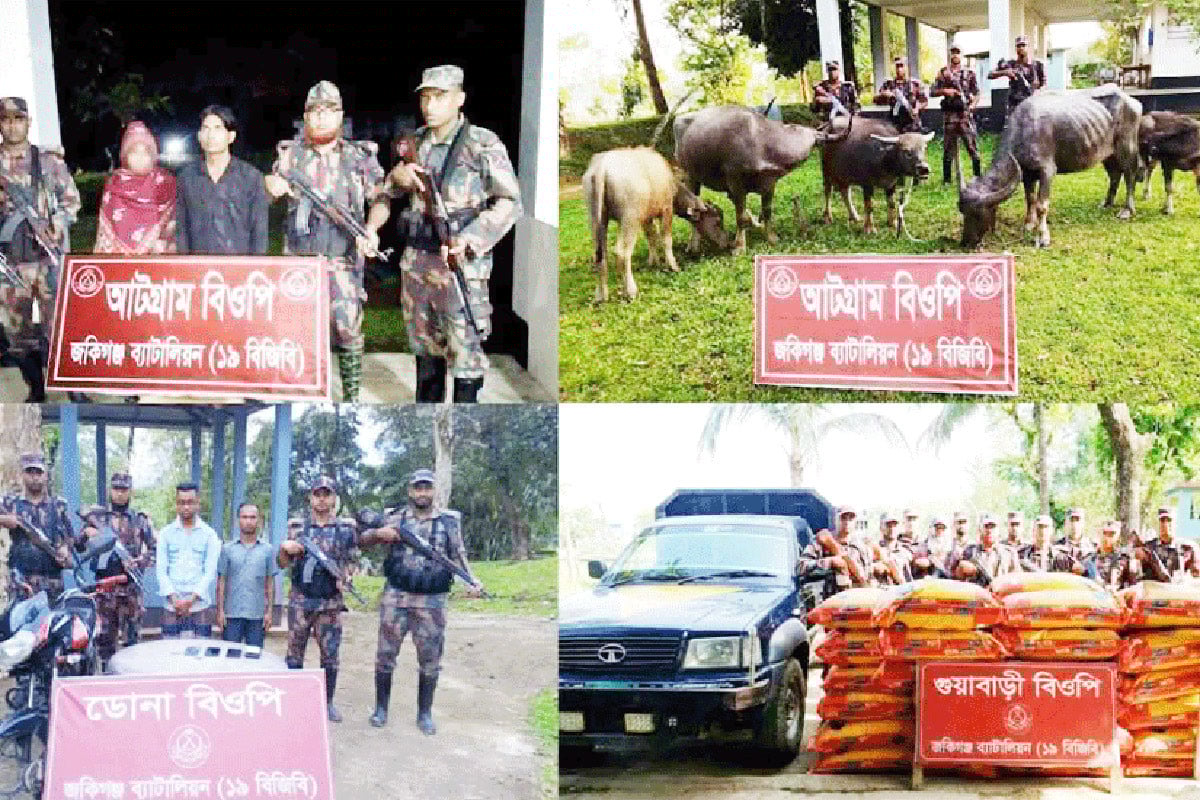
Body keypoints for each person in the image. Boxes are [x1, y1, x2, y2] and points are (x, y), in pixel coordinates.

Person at [386, 65, 523, 404]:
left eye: (440, 96)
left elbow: (509, 201)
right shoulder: (413, 143)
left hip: (460, 266)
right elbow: (384, 192)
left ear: (459, 99)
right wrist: (397, 178)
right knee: (425, 353)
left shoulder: (481, 145)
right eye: (426, 97)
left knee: (465, 358)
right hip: (417, 266)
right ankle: (428, 434)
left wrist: (471, 240)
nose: (430, 105)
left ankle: (463, 438)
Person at [265, 81, 391, 402]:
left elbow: (382, 199)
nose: (321, 118)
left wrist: (372, 229)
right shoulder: (290, 156)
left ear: (340, 116)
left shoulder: (359, 157)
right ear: (306, 116)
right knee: (299, 333)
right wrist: (270, 188)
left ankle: (351, 398)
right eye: (314, 112)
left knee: (348, 331)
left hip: (344, 262)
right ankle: (302, 397)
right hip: (300, 265)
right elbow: (264, 198)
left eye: (328, 111)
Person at [359, 468, 484, 733]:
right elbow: (363, 540)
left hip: (432, 600)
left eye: (427, 487)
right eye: (418, 488)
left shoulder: (449, 521)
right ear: (410, 490)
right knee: (385, 656)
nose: (423, 493)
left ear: (434, 490)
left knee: (430, 659)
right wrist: (379, 535)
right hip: (396, 596)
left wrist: (472, 580)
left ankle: (424, 714)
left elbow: (458, 554)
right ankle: (381, 710)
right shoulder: (394, 517)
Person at [0, 97, 81, 401]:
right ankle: (35, 386)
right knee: (16, 334)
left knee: (58, 327)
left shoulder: (47, 162)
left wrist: (58, 222)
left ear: (28, 122)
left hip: (46, 260)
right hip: (10, 263)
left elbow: (72, 201)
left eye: (18, 119)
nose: (12, 125)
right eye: (5, 119)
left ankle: (70, 385)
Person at [276, 476, 359, 722]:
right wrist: (284, 549)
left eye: (327, 494)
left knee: (330, 655)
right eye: (317, 494)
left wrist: (346, 577)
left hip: (330, 604)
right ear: (310, 497)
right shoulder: (297, 527)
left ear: (334, 498)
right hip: (301, 601)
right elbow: (281, 564)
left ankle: (327, 703)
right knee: (294, 653)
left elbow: (353, 561)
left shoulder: (346, 529)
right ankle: (293, 700)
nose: (322, 499)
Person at [176, 105, 269, 255]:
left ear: (231, 136)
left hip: (239, 268)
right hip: (199, 267)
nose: (211, 135)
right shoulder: (187, 178)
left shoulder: (251, 177)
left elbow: (259, 232)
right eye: (206, 128)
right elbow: (182, 230)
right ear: (199, 136)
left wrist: (256, 268)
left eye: (218, 128)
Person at [94, 121, 177, 255]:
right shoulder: (114, 185)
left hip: (159, 265)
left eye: (146, 152)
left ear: (153, 155)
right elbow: (105, 236)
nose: (140, 158)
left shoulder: (166, 184)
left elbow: (175, 232)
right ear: (125, 156)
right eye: (134, 152)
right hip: (120, 266)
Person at [0, 452, 71, 598]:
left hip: (52, 583)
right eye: (30, 471)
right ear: (22, 474)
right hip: (21, 582)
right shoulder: (10, 503)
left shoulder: (58, 505)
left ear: (45, 475)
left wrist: (65, 549)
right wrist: (5, 520)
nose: (35, 476)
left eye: (39, 472)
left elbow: (70, 537)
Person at [155, 482, 222, 638]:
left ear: (198, 503)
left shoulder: (209, 534)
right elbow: (161, 570)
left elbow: (210, 572)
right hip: (172, 606)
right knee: (171, 655)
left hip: (199, 606)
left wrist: (191, 600)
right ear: (176, 504)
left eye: (190, 502)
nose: (186, 507)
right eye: (181, 502)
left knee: (200, 656)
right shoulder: (165, 534)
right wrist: (174, 599)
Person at [100, 472, 155, 653]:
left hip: (131, 590)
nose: (120, 494)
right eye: (116, 489)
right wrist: (89, 535)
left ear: (130, 491)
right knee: (105, 642)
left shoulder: (139, 520)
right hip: (106, 590)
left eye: (124, 489)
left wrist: (140, 561)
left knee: (132, 643)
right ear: (110, 490)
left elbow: (155, 550)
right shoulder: (99, 518)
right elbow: (79, 544)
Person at [216, 502, 277, 648]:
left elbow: (270, 583)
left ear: (259, 521)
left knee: (254, 659)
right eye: (244, 517)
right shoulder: (227, 549)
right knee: (230, 658)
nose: (248, 521)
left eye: (252, 517)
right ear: (238, 521)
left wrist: (269, 612)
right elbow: (221, 581)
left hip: (257, 616)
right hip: (232, 615)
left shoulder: (267, 550)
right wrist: (220, 611)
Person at [930, 45, 981, 182]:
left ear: (961, 55)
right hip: (950, 116)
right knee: (948, 150)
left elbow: (977, 93)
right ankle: (947, 180)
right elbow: (932, 91)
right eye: (953, 53)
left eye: (957, 53)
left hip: (965, 115)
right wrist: (945, 91)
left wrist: (972, 105)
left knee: (972, 146)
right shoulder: (943, 73)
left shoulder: (969, 73)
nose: (955, 55)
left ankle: (977, 176)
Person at [800, 506, 870, 599]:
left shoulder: (862, 547)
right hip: (827, 601)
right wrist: (829, 562)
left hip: (855, 601)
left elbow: (867, 579)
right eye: (843, 517)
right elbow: (801, 566)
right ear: (836, 519)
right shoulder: (821, 541)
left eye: (851, 518)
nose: (847, 522)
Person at [1138, 506, 1200, 582]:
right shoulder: (1147, 548)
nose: (1165, 524)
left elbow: (1196, 577)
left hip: (1176, 591)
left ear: (1176, 523)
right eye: (1162, 520)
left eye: (1169, 520)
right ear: (1157, 523)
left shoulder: (1188, 548)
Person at [988, 35, 1045, 116]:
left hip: (1032, 103)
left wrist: (1037, 92)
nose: (1021, 48)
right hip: (1015, 104)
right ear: (1016, 48)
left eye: (1023, 45)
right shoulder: (1011, 64)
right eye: (1018, 46)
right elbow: (990, 75)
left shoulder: (1038, 65)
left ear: (1028, 47)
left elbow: (1044, 85)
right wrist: (1005, 72)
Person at [954, 515, 1017, 586]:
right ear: (980, 530)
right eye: (986, 526)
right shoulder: (969, 551)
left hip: (1002, 593)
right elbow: (959, 580)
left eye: (993, 527)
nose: (989, 530)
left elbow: (1017, 579)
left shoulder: (1009, 553)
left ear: (998, 530)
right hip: (977, 593)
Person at [874, 57, 928, 133]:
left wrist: (917, 108)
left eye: (901, 66)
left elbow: (924, 101)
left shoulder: (915, 84)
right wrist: (886, 95)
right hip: (894, 124)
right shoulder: (889, 84)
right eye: (897, 66)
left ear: (906, 67)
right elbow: (876, 100)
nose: (899, 69)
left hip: (912, 122)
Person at [1087, 520, 1140, 590]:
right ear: (1100, 534)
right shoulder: (1091, 559)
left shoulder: (1125, 559)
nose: (1107, 537)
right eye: (1105, 533)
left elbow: (1134, 587)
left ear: (1118, 537)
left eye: (1111, 534)